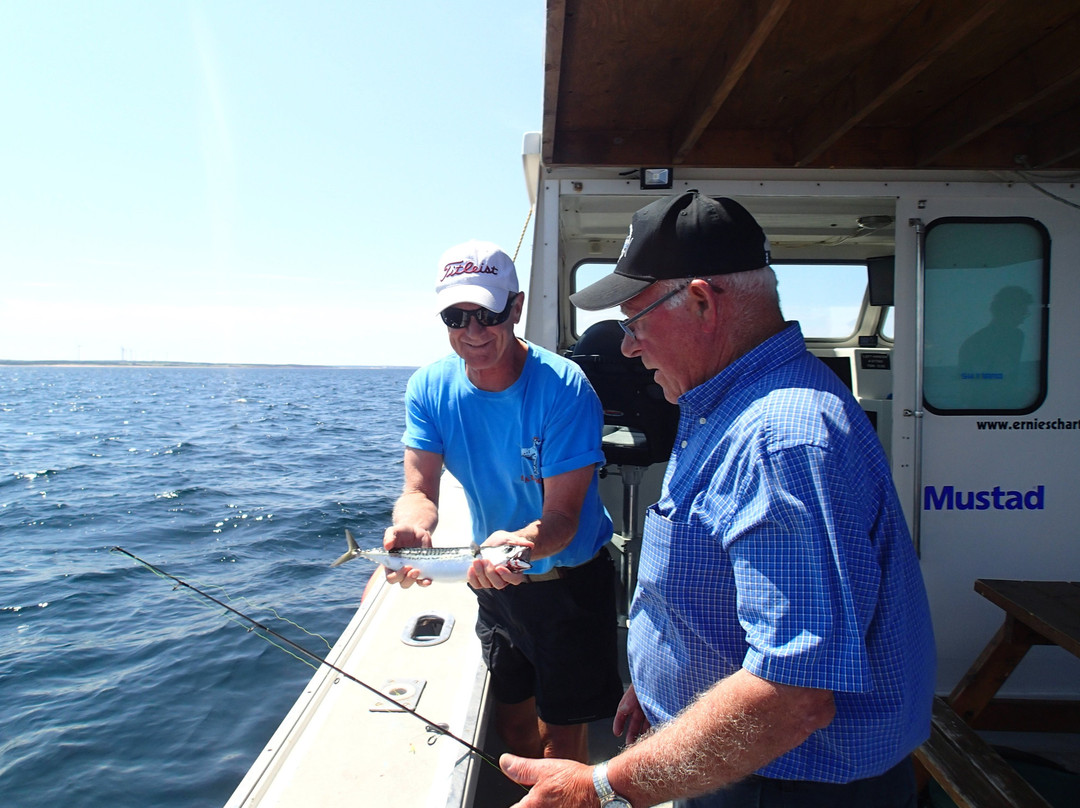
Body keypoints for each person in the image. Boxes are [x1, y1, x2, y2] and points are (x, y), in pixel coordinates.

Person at [500, 191, 936, 807]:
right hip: (741, 764)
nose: (627, 346)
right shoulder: (721, 406)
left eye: (634, 320)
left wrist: (604, 789)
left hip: (784, 788)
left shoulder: (781, 440)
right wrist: (663, 690)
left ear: (702, 300)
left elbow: (792, 696)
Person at [382, 239, 624, 762]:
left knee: (562, 751)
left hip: (568, 588)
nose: (472, 333)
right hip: (494, 586)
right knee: (514, 734)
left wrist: (515, 546)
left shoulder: (564, 387)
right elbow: (418, 493)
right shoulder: (428, 387)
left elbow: (560, 519)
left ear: (515, 307)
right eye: (456, 316)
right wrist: (410, 529)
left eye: (487, 314)